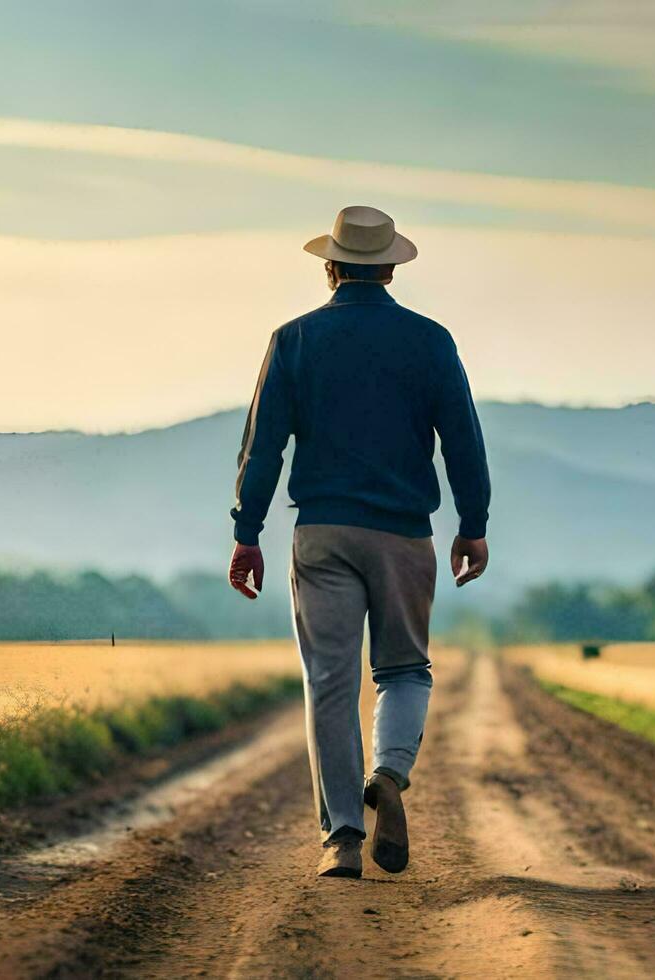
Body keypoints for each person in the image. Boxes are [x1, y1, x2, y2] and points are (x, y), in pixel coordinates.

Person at [226, 205, 491, 879]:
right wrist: (473, 525)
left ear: (331, 266)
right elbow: (463, 440)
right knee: (403, 670)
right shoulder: (431, 342)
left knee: (330, 683)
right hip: (403, 533)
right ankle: (390, 778)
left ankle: (342, 839)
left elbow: (263, 448)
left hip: (322, 532)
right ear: (393, 268)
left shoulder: (294, 339)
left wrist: (246, 532)